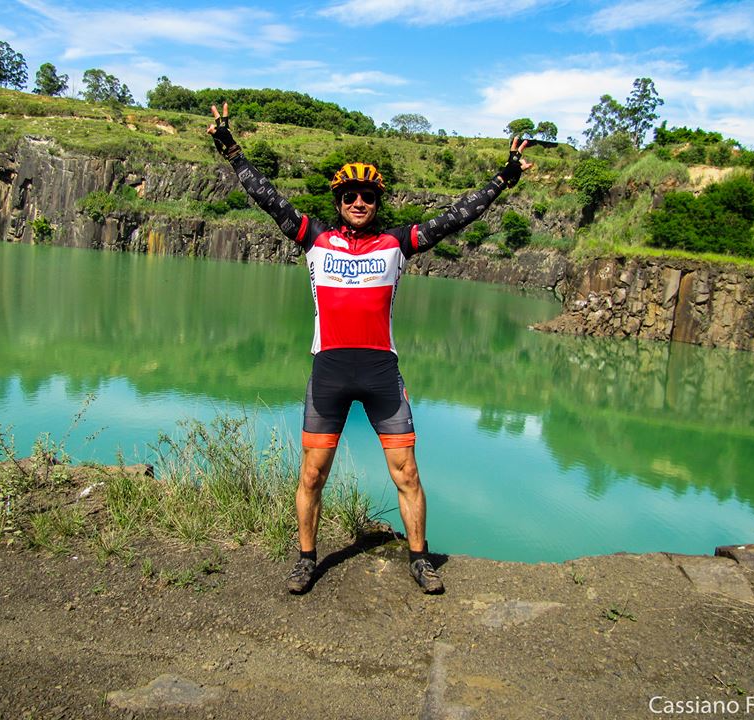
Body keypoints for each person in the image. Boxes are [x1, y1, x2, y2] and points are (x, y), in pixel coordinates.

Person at [207, 104, 532, 594]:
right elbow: (268, 198)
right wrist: (231, 149)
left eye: (367, 196)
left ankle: (420, 560)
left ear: (376, 202)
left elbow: (454, 218)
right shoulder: (314, 238)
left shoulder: (396, 244)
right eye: (350, 195)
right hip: (329, 372)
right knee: (312, 475)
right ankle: (305, 559)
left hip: (382, 372)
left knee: (408, 473)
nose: (359, 202)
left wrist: (503, 178)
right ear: (339, 200)